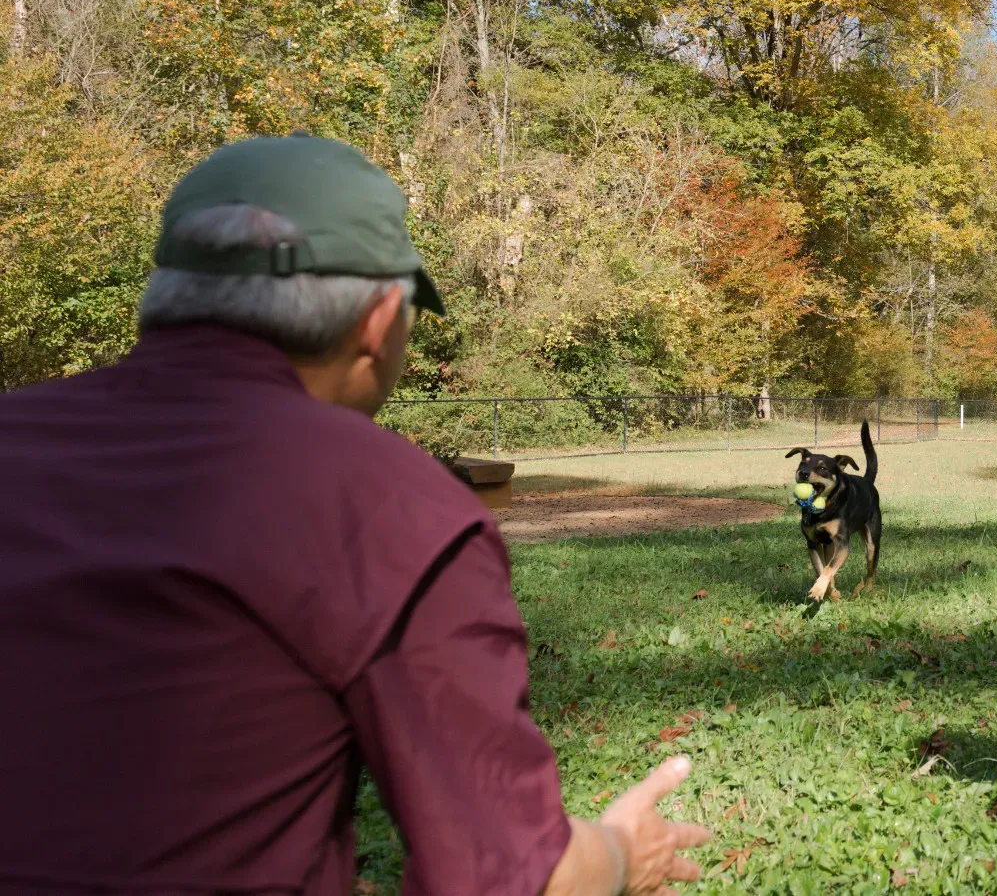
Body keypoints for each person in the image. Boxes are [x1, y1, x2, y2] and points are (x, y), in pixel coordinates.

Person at [0, 135, 711, 895]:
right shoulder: (389, 507)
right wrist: (616, 854)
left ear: (167, 294)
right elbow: (504, 878)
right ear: (377, 321)